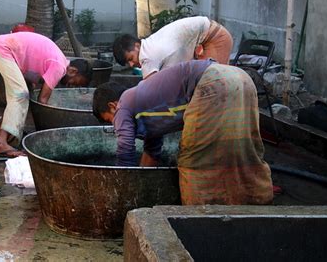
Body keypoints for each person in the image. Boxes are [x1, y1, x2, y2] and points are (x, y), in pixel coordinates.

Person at [92, 60, 273, 205]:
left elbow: (125, 147)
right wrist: (140, 188)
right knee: (241, 144)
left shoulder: (123, 103)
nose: (116, 125)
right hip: (239, 77)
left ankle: (197, 212)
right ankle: (255, 198)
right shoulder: (144, 102)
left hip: (212, 82)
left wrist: (120, 188)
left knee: (192, 159)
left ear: (112, 106)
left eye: (110, 119)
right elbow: (152, 150)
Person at [0, 30, 91, 157]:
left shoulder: (59, 60)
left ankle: (1, 132)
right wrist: (52, 130)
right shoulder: (60, 67)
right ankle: (0, 143)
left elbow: (33, 78)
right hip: (3, 48)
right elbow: (43, 101)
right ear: (73, 71)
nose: (73, 85)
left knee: (25, 92)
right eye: (77, 83)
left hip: (4, 47)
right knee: (21, 94)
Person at [113, 16, 233, 79]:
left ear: (137, 46)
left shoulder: (147, 56)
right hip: (205, 37)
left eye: (130, 58)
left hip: (214, 37)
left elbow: (148, 90)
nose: (131, 65)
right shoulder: (150, 44)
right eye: (127, 63)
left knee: (212, 85)